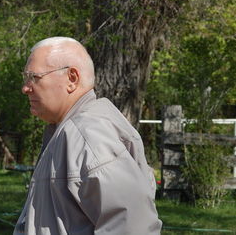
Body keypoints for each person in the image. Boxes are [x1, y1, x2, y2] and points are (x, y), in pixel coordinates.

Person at [14, 37, 162, 234]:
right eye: (25, 78)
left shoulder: (88, 133)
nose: (25, 88)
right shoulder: (69, 130)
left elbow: (133, 225)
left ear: (72, 78)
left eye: (34, 77)